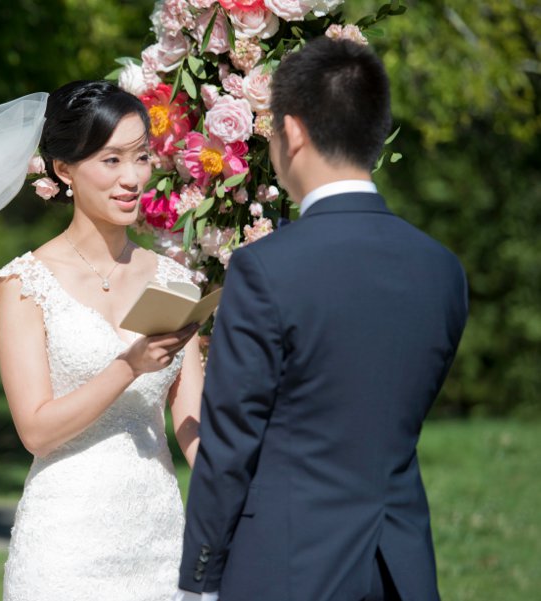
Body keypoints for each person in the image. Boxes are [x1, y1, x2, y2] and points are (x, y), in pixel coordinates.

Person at [176, 37, 469, 601]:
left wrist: (199, 580)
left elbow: (231, 443)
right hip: (401, 568)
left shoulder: (265, 268)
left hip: (288, 567)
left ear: (293, 132)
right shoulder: (442, 269)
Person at [0, 80, 204, 601]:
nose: (132, 178)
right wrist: (127, 367)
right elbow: (36, 432)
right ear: (64, 169)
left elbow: (193, 422)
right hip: (65, 546)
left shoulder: (177, 280)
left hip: (158, 541)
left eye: (140, 157)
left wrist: (244, 488)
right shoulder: (24, 283)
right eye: (111, 161)